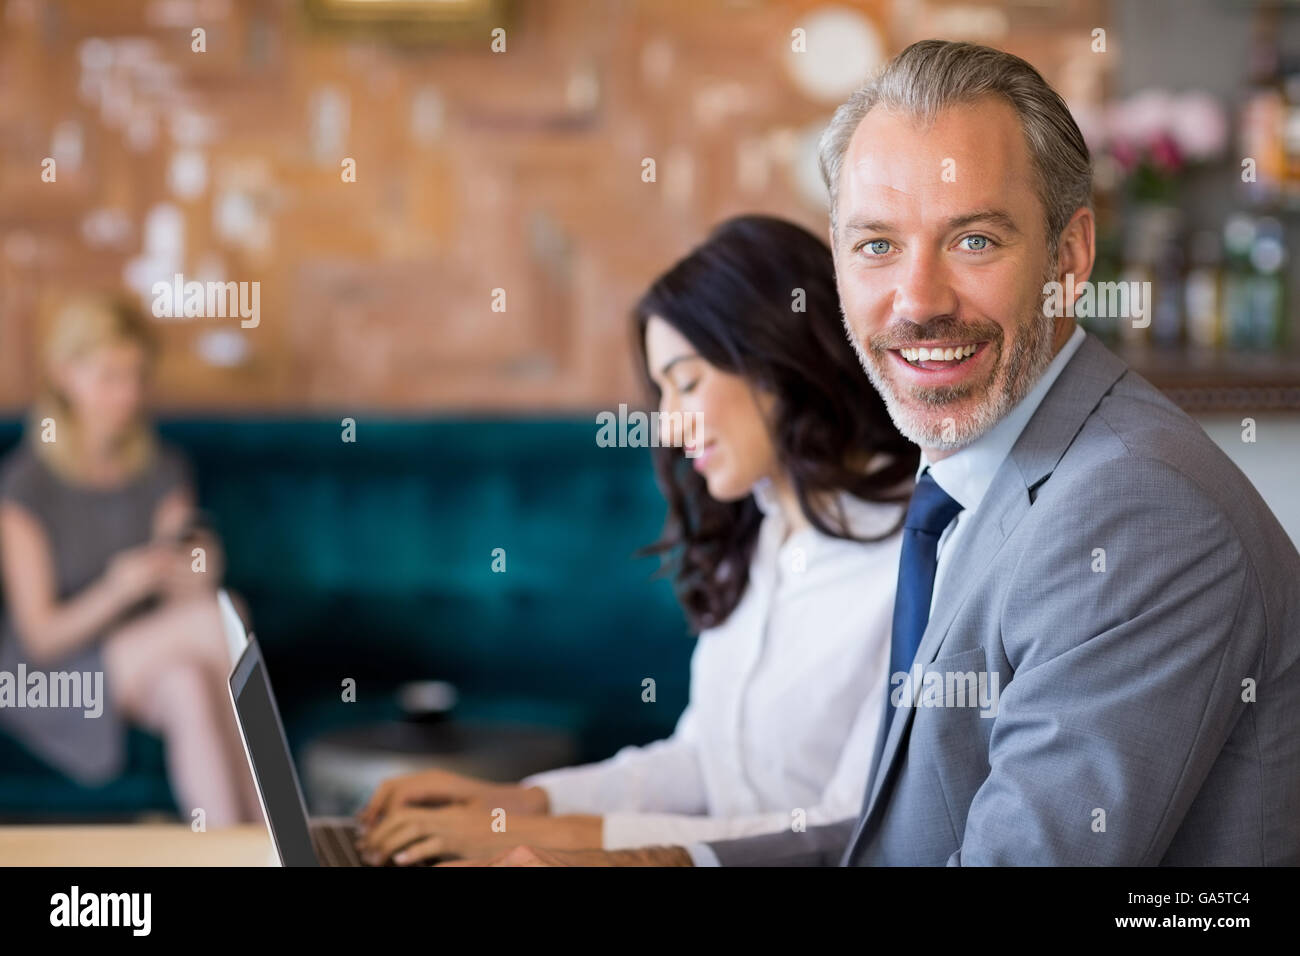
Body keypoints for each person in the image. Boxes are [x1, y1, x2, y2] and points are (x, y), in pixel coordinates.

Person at [461, 40, 1300, 867]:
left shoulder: (1134, 510)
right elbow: (895, 835)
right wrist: (631, 862)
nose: (918, 302)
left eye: (974, 240)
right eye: (877, 245)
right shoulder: (976, 470)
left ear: (1070, 258)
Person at [355, 215, 918, 864]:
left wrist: (541, 839)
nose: (671, 427)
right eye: (662, 393)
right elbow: (705, 762)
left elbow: (841, 830)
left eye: (687, 382)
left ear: (775, 359)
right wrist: (517, 805)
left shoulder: (911, 561)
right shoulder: (764, 529)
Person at [0, 295, 260, 826]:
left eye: (137, 376)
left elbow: (180, 603)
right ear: (64, 374)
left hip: (149, 653)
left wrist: (194, 571)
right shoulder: (25, 486)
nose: (128, 394)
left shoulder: (163, 466)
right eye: (109, 377)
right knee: (222, 617)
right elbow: (41, 639)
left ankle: (226, 852)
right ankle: (275, 836)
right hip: (47, 675)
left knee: (190, 683)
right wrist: (118, 589)